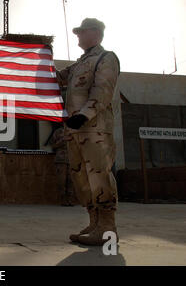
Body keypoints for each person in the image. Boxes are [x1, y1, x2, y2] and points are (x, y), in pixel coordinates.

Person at [56, 18, 120, 246]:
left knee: (99, 176)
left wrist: (84, 114)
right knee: (82, 178)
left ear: (95, 33)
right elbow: (55, 78)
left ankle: (107, 227)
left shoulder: (106, 58)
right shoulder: (78, 64)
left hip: (95, 129)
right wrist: (38, 58)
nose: (78, 36)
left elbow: (103, 90)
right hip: (75, 131)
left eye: (81, 32)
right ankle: (94, 223)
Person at [49, 124, 74, 206]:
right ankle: (63, 200)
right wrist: (63, 140)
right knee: (62, 181)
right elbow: (53, 145)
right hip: (61, 159)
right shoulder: (58, 132)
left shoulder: (74, 131)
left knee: (71, 181)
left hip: (72, 159)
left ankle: (70, 200)